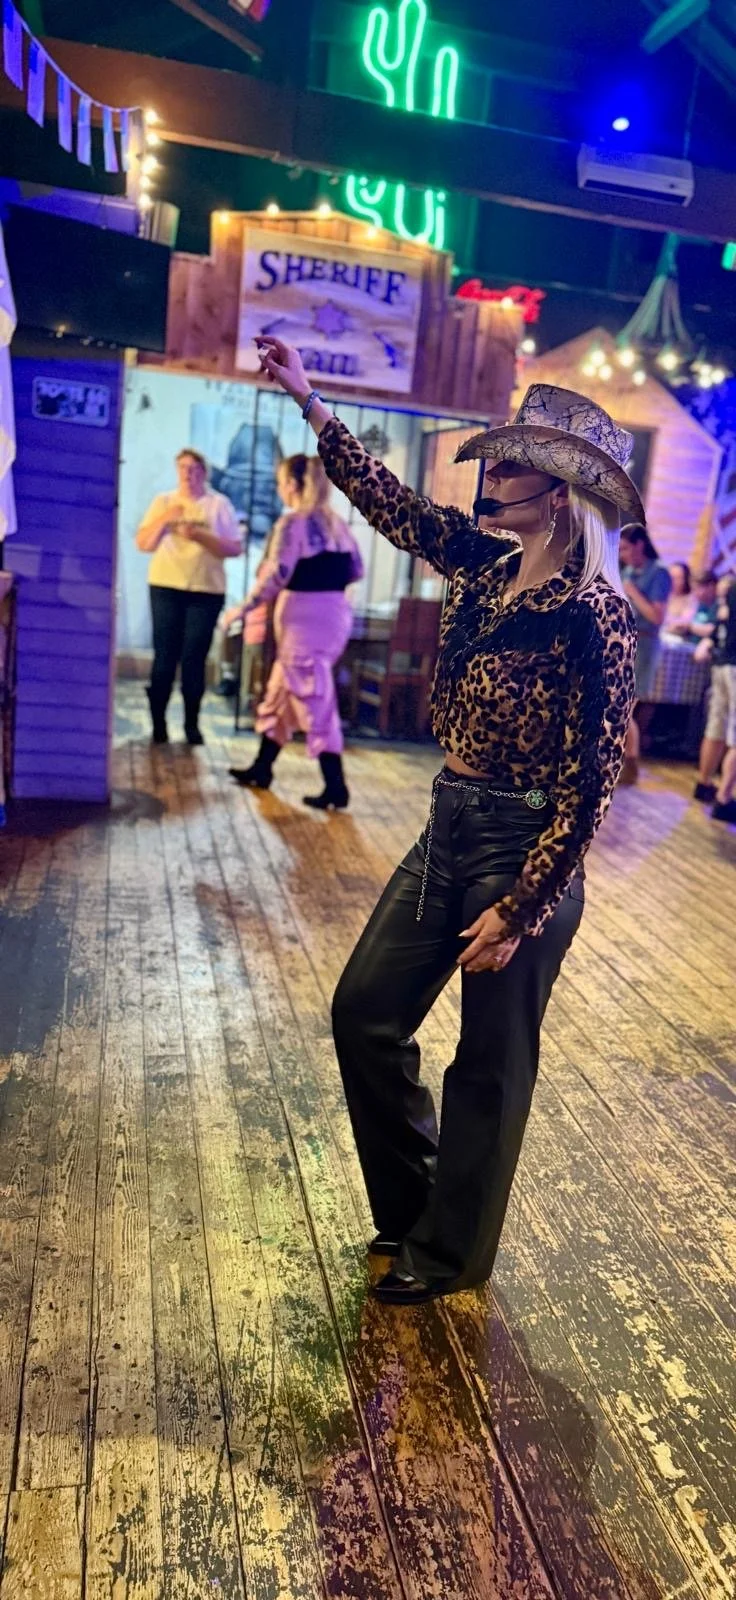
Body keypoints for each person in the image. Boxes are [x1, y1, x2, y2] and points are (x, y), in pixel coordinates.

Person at [255, 334, 637, 1305]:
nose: (491, 474)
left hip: (525, 844)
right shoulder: (481, 561)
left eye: (513, 464)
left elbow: (593, 778)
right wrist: (310, 401)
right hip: (448, 824)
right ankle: (416, 1208)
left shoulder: (593, 612)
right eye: (496, 460)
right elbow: (389, 501)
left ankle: (452, 1251)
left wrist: (524, 903)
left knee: (489, 1062)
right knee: (365, 1012)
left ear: (560, 494)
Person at [225, 452, 364, 809]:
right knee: (281, 690)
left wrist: (242, 609)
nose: (279, 489)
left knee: (314, 697)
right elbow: (357, 569)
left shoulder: (293, 523)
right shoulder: (337, 525)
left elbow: (277, 575)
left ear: (292, 484)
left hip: (304, 620)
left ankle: (336, 786)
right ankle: (262, 767)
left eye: (280, 483)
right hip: (331, 615)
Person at [135, 448, 243, 745]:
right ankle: (158, 724)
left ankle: (191, 725)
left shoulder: (219, 505)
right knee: (164, 657)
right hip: (166, 586)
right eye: (183, 468)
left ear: (204, 473)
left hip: (205, 591)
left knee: (194, 659)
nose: (188, 474)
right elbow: (143, 543)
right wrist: (166, 519)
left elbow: (234, 548)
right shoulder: (164, 501)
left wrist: (199, 536)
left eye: (194, 469)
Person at [619, 522, 672, 784]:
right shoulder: (629, 571)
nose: (622, 555)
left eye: (626, 549)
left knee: (626, 707)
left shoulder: (659, 572)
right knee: (620, 706)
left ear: (640, 545)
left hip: (646, 644)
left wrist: (633, 593)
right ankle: (627, 762)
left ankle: (630, 763)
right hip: (626, 642)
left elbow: (657, 617)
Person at [693, 573, 736, 819]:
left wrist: (708, 642)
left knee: (716, 727)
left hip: (722, 662)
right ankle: (724, 797)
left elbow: (722, 624)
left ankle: (704, 783)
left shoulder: (731, 588)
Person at [662, 561, 695, 634]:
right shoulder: (661, 597)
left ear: (686, 579)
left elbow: (687, 625)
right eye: (670, 577)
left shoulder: (693, 599)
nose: (672, 581)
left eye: (678, 578)